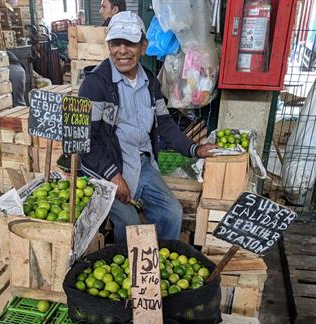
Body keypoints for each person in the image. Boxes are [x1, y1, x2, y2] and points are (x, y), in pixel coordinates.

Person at [79, 11, 216, 243]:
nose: (122, 50)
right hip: (104, 169)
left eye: (130, 43)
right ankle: (126, 267)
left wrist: (194, 149)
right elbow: (84, 141)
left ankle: (160, 264)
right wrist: (112, 175)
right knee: (129, 222)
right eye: (115, 43)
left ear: (143, 46)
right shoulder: (95, 85)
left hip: (142, 165)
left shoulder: (149, 81)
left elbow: (164, 122)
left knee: (172, 212)